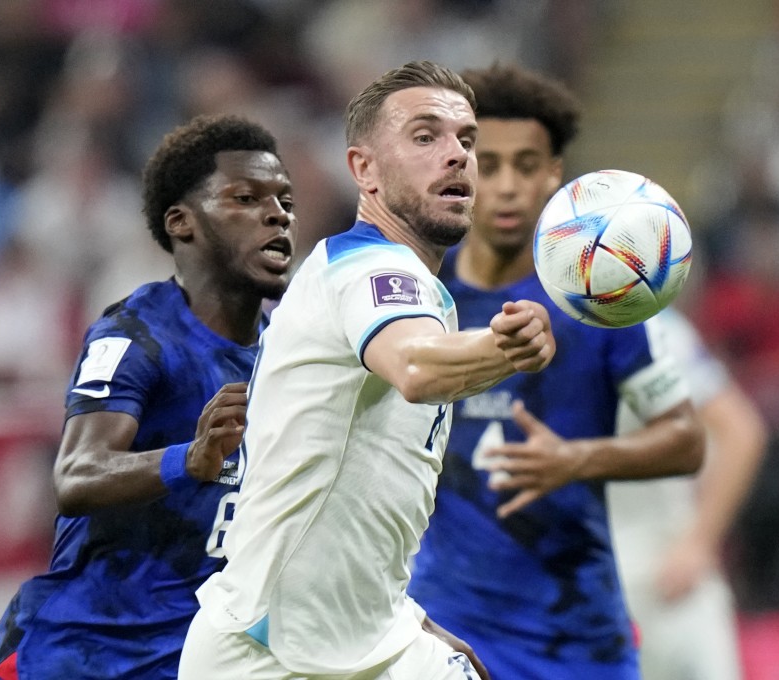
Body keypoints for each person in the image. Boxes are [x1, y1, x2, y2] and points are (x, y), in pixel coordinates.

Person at [179, 60, 555, 680]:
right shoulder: (368, 271)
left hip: (369, 643)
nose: (458, 155)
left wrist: (410, 623)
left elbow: (361, 497)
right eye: (426, 136)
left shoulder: (415, 292)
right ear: (364, 169)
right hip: (268, 657)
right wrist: (505, 347)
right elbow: (414, 367)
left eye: (467, 140)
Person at [406, 62, 705, 680]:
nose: (509, 186)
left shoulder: (598, 303)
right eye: (488, 164)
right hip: (441, 630)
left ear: (555, 176)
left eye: (527, 164)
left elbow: (688, 440)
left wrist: (578, 460)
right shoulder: (417, 295)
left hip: (577, 638)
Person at [0, 114, 298, 680]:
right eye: (245, 198)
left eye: (284, 200)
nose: (277, 214)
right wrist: (188, 460)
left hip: (214, 654)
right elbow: (76, 475)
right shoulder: (137, 335)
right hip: (99, 654)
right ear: (182, 223)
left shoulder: (291, 354)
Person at [608, 307, 767, 680]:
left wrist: (698, 543)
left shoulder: (654, 328)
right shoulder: (523, 327)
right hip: (582, 582)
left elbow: (741, 431)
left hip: (663, 577)